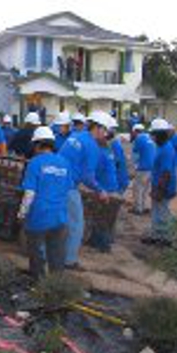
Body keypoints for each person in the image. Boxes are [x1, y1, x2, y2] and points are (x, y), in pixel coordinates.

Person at [59, 111, 111, 269]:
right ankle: (69, 261)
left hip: (55, 180)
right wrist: (100, 190)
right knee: (76, 224)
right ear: (99, 128)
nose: (106, 134)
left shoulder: (75, 136)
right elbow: (88, 176)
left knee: (59, 221)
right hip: (68, 186)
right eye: (106, 130)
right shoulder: (92, 146)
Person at [18, 126, 72, 280]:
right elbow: (68, 191)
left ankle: (38, 283)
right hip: (60, 217)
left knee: (36, 253)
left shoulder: (35, 163)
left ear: (37, 145)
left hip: (38, 216)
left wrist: (22, 214)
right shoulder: (64, 163)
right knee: (56, 254)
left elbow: (29, 193)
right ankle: (55, 285)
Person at [142, 119, 177, 245]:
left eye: (153, 134)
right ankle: (157, 235)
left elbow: (166, 172)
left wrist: (159, 190)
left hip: (164, 187)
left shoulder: (167, 149)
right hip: (159, 184)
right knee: (157, 211)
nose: (151, 137)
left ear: (159, 134)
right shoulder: (162, 147)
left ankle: (165, 238)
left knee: (162, 212)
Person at [131, 124, 156, 215]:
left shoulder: (139, 139)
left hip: (143, 168)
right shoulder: (149, 138)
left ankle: (138, 209)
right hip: (152, 168)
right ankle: (145, 206)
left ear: (135, 131)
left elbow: (135, 155)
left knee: (138, 189)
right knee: (146, 189)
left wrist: (134, 168)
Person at [108, 118, 130, 194]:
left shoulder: (114, 143)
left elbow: (117, 162)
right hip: (119, 178)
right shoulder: (114, 142)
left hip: (118, 179)